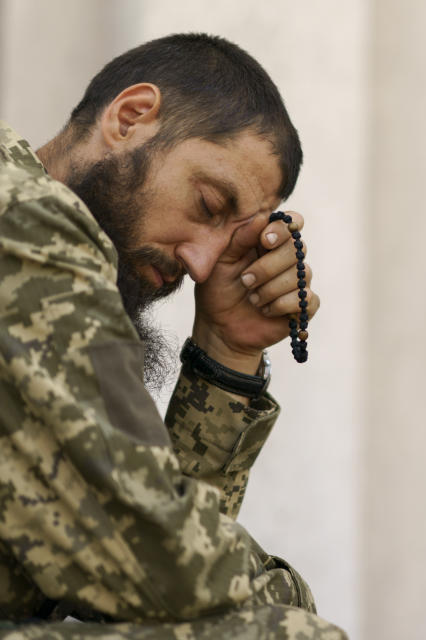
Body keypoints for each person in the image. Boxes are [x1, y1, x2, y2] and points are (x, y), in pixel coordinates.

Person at [0, 34, 345, 639]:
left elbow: (143, 568)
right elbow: (152, 561)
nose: (205, 264)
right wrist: (288, 594)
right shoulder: (22, 216)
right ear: (130, 117)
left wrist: (228, 350)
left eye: (230, 236)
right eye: (209, 203)